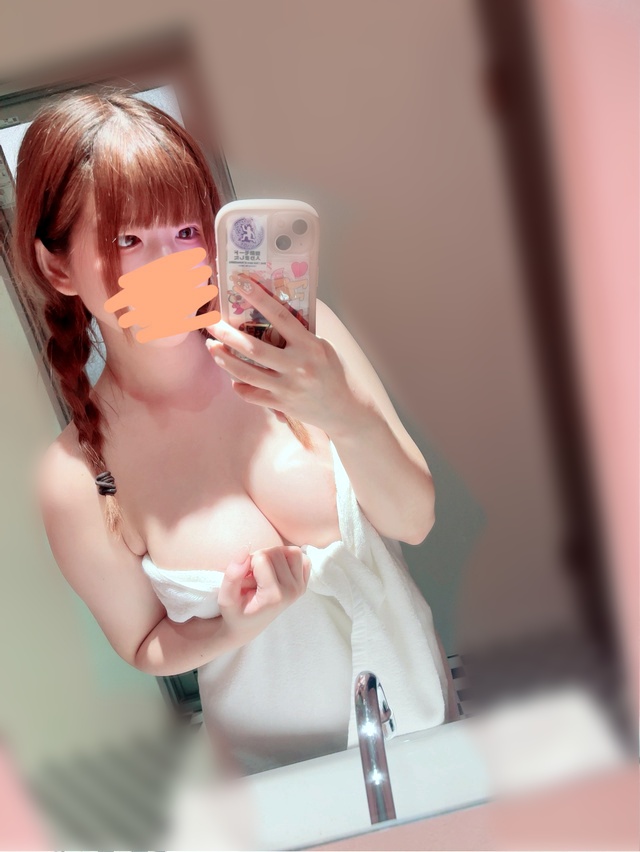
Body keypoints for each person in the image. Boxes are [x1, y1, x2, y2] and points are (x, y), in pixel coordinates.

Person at [10, 89, 457, 776]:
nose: (165, 264)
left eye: (185, 232)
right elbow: (142, 643)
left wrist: (339, 408)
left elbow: (414, 519)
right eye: (127, 240)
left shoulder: (299, 343)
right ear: (57, 266)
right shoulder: (76, 476)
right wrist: (232, 627)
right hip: (271, 778)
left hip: (420, 719)